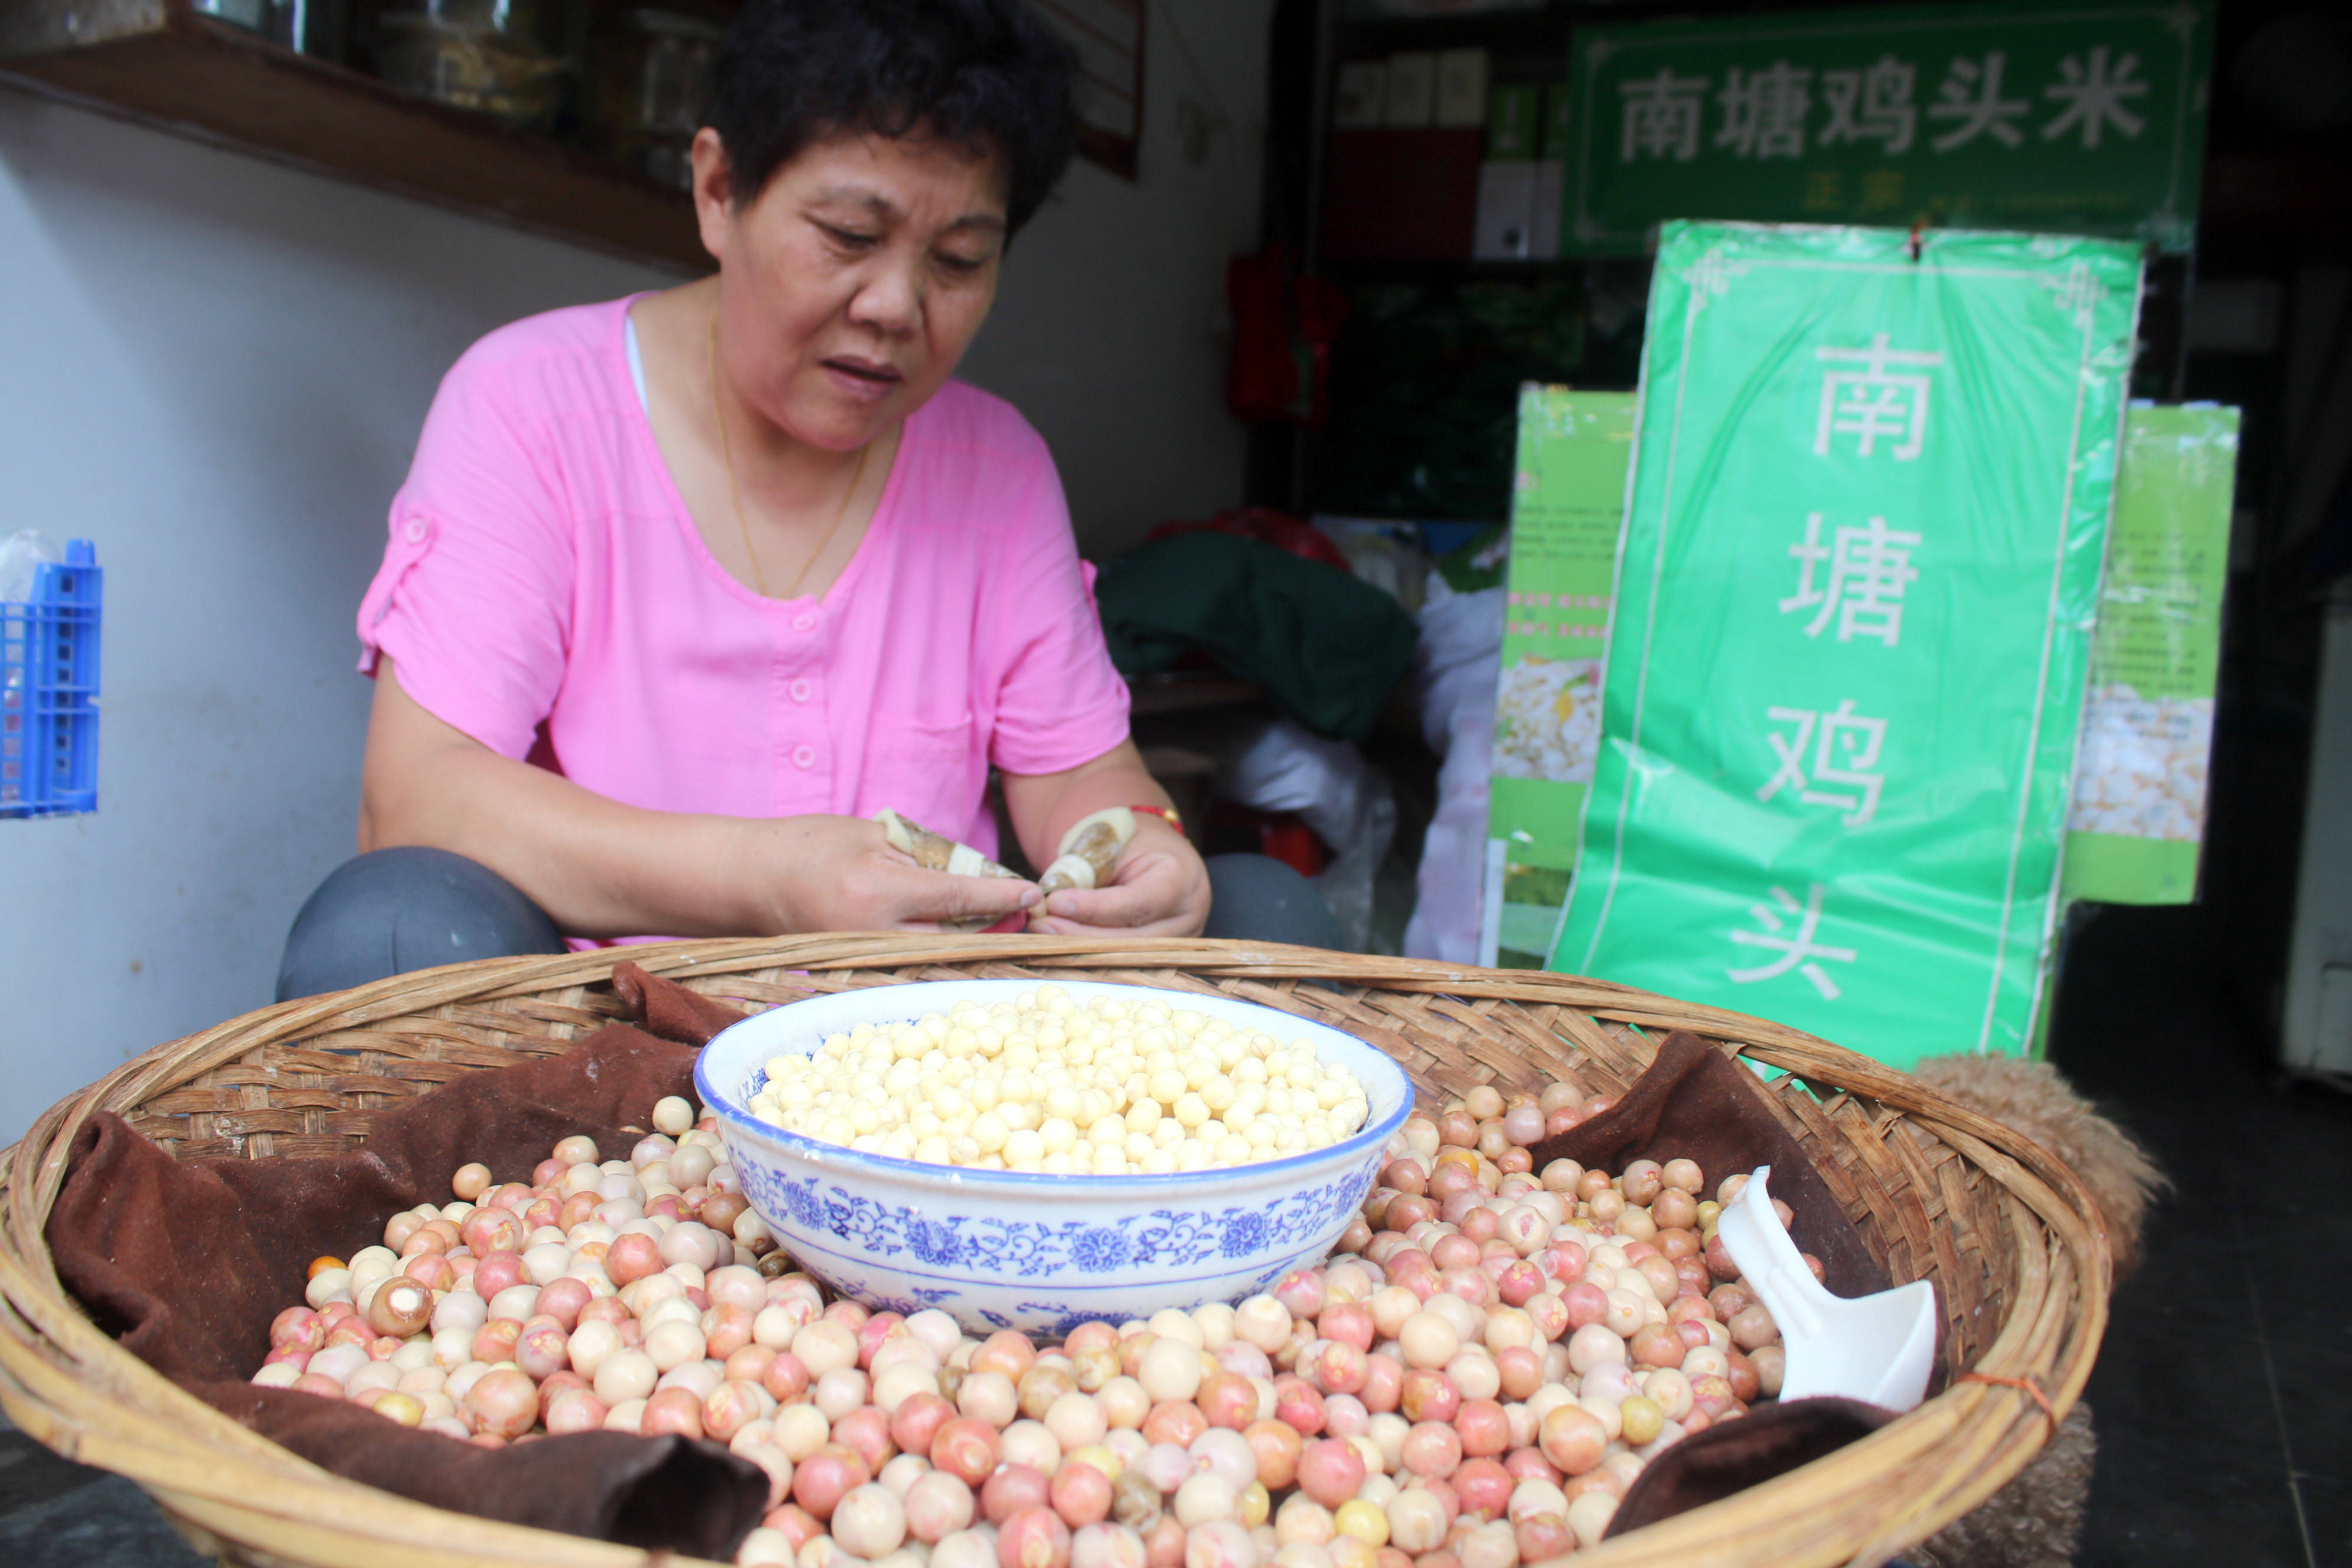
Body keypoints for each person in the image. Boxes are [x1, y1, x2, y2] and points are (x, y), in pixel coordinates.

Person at [277, 0, 1340, 1000]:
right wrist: (771, 878)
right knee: (392, 924)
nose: (893, 307)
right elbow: (416, 795)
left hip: (922, 1045)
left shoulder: (999, 467)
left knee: (1264, 915)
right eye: (846, 235)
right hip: (597, 1029)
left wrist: (1143, 840)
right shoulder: (532, 407)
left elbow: (1082, 775)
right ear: (718, 190)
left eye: (960, 259)